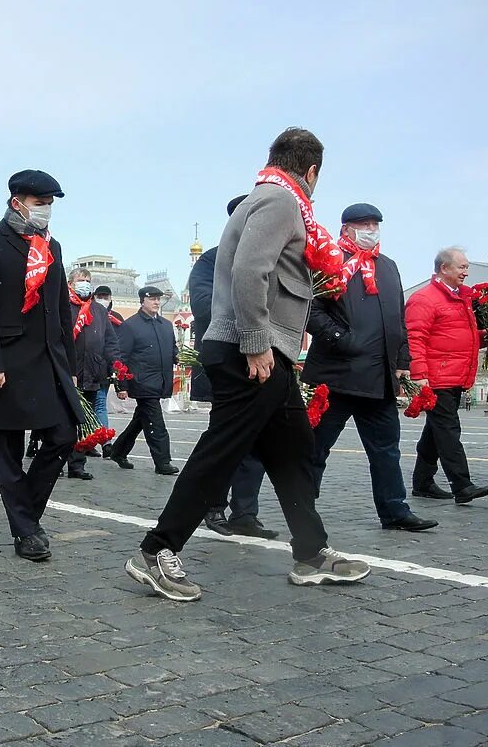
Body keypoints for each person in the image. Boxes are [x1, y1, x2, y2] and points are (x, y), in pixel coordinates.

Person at [124, 128, 370, 601]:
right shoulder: (280, 201)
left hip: (263, 349)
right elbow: (248, 270)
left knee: (294, 449)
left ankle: (311, 553)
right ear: (312, 170)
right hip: (248, 348)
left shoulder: (271, 197)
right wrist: (257, 342)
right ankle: (156, 550)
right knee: (223, 450)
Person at [0, 169, 82, 561]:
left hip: (49, 360)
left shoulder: (52, 246)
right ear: (17, 202)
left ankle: (25, 516)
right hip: (8, 361)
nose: (46, 210)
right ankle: (26, 531)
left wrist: (71, 361)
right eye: (40, 203)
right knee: (8, 451)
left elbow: (62, 307)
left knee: (64, 435)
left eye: (50, 203)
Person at [302, 203, 437, 531]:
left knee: (386, 451)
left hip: (380, 380)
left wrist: (403, 362)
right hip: (336, 377)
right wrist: (340, 337)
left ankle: (395, 511)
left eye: (375, 224)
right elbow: (309, 308)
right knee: (315, 447)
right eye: (363, 224)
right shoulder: (329, 262)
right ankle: (302, 508)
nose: (370, 230)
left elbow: (398, 320)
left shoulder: (388, 267)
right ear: (346, 228)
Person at [191, 195, 277, 540]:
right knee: (226, 438)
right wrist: (251, 329)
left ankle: (246, 512)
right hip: (230, 359)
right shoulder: (211, 260)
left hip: (267, 361)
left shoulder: (273, 258)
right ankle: (212, 506)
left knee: (256, 440)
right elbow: (204, 307)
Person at [405, 248, 488, 504]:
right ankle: (461, 485)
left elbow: (457, 336)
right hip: (437, 377)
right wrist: (420, 376)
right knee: (448, 429)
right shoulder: (425, 299)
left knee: (435, 431)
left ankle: (423, 482)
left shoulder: (460, 298)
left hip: (454, 375)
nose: (466, 272)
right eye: (461, 267)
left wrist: (484, 337)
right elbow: (415, 338)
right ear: (444, 268)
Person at [108, 286, 179, 476]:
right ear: (142, 301)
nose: (156, 302)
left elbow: (172, 349)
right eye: (152, 299)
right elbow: (121, 357)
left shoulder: (165, 324)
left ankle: (118, 451)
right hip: (142, 382)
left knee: (141, 419)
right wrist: (120, 385)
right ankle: (163, 462)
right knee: (156, 423)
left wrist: (178, 356)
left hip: (161, 380)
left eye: (158, 299)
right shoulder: (130, 326)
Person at [66, 267, 122, 480]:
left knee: (84, 421)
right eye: (81, 280)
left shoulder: (98, 310)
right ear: (71, 283)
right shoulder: (64, 306)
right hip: (68, 373)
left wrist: (116, 366)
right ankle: (56, 458)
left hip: (92, 374)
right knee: (65, 421)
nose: (85, 283)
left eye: (88, 280)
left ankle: (77, 465)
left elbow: (110, 342)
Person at [92, 285, 124, 456]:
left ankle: (106, 442)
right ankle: (88, 442)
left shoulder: (116, 319)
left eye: (106, 296)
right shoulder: (87, 313)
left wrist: (118, 376)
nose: (103, 299)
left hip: (103, 371)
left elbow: (117, 347)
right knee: (88, 407)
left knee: (99, 405)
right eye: (100, 296)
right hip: (87, 368)